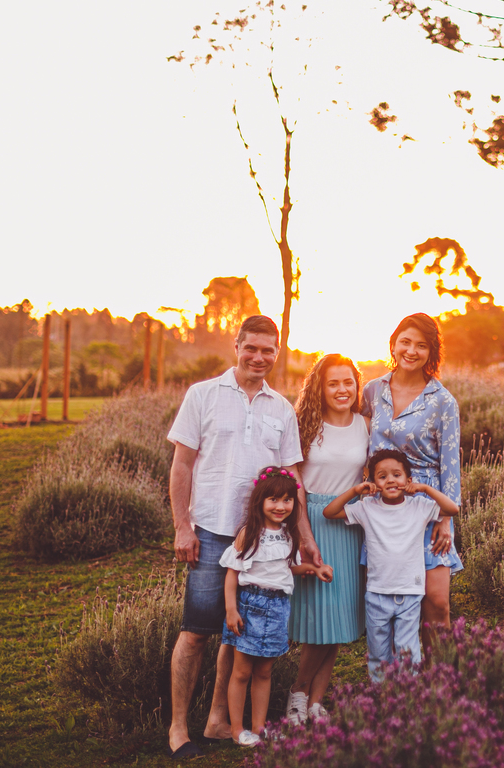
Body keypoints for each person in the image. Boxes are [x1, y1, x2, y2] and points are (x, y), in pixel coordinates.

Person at [165, 315, 321, 759]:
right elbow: (181, 464)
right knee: (196, 632)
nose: (259, 357)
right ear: (236, 346)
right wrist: (182, 526)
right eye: (250, 348)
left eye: (267, 350)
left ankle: (217, 720)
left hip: (263, 539)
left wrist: (303, 535)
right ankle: (178, 729)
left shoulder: (281, 408)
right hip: (213, 531)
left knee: (238, 636)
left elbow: (292, 477)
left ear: (277, 352)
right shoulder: (203, 395)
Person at [360, 313, 462, 655]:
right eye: (405, 342)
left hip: (426, 505)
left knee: (437, 603)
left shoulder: (442, 400)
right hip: (383, 508)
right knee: (388, 602)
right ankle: (394, 684)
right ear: (393, 344)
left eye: (421, 345)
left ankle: (441, 685)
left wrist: (446, 520)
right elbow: (358, 446)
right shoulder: (373, 391)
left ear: (431, 352)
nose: (411, 350)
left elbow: (450, 466)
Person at [323, 449, 460, 677]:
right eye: (382, 476)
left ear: (408, 480)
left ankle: (407, 699)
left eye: (397, 475)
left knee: (408, 653)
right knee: (378, 655)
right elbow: (330, 512)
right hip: (377, 593)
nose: (390, 481)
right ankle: (382, 699)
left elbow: (452, 509)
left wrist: (425, 489)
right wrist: (356, 491)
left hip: (410, 593)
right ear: (374, 482)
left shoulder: (419, 506)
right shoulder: (367, 508)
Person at [221, 467, 332, 746]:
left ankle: (259, 727)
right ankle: (237, 729)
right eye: (273, 500)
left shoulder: (289, 535)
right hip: (249, 606)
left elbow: (286, 569)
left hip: (279, 608)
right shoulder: (249, 533)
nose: (280, 506)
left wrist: (311, 569)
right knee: (242, 671)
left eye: (287, 500)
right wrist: (231, 610)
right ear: (260, 502)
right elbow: (232, 574)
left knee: (264, 671)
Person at [285, 354, 369, 724]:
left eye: (347, 382)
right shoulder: (306, 424)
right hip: (312, 522)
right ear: (320, 387)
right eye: (333, 383)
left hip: (349, 523)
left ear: (356, 385)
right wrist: (303, 529)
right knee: (318, 616)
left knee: (338, 617)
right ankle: (297, 694)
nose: (341, 390)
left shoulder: (366, 425)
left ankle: (317, 702)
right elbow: (295, 482)